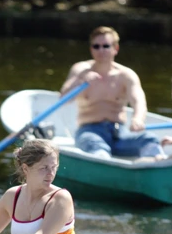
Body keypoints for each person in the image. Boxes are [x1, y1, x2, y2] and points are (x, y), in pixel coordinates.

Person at [60, 26, 165, 160]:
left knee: (149, 139)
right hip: (89, 131)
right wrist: (80, 81)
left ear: (115, 48)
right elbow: (63, 98)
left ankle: (150, 165)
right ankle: (103, 161)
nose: (101, 50)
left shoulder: (126, 75)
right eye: (96, 46)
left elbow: (139, 101)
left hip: (119, 133)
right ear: (91, 49)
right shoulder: (80, 70)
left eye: (106, 46)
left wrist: (138, 119)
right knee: (96, 146)